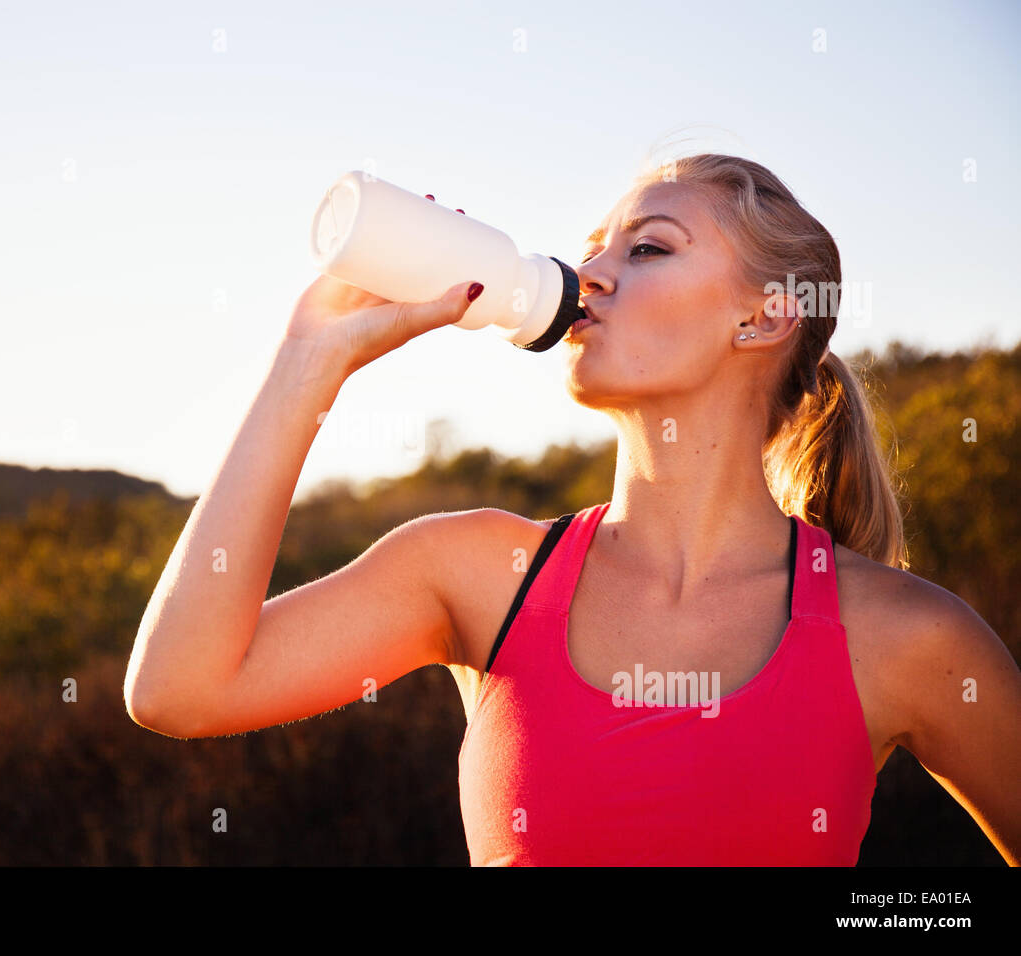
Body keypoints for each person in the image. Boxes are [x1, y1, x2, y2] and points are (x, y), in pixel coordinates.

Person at [124, 153, 1021, 865]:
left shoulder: (904, 635)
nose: (587, 274)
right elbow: (178, 690)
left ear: (765, 318)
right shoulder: (477, 575)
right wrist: (306, 363)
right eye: (593, 247)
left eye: (648, 248)